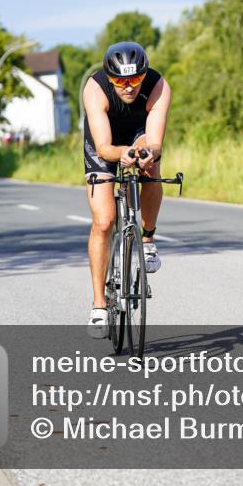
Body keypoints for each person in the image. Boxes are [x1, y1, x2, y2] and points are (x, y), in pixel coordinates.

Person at [82, 41, 171, 338]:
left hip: (138, 133)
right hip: (104, 141)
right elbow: (105, 147)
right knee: (104, 221)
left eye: (135, 79)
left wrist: (146, 153)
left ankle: (147, 239)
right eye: (121, 81)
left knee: (152, 166)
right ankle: (98, 304)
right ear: (110, 77)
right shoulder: (95, 89)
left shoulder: (158, 86)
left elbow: (154, 139)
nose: (129, 87)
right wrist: (119, 153)